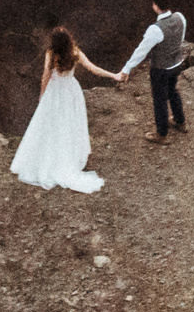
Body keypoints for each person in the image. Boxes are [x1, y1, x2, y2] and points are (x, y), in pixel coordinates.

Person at [9, 26, 124, 193]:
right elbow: (93, 69)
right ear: (69, 40)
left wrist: (42, 95)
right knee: (69, 125)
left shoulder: (51, 54)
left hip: (55, 92)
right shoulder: (75, 53)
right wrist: (114, 75)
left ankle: (48, 158)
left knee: (50, 125)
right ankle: (69, 157)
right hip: (71, 92)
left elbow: (46, 76)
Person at [117, 0, 190, 143]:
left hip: (161, 69)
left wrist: (127, 68)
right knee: (173, 91)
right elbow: (180, 39)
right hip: (176, 64)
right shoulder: (180, 18)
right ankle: (180, 121)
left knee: (159, 99)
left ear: (156, 6)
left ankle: (162, 134)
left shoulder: (155, 29)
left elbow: (141, 51)